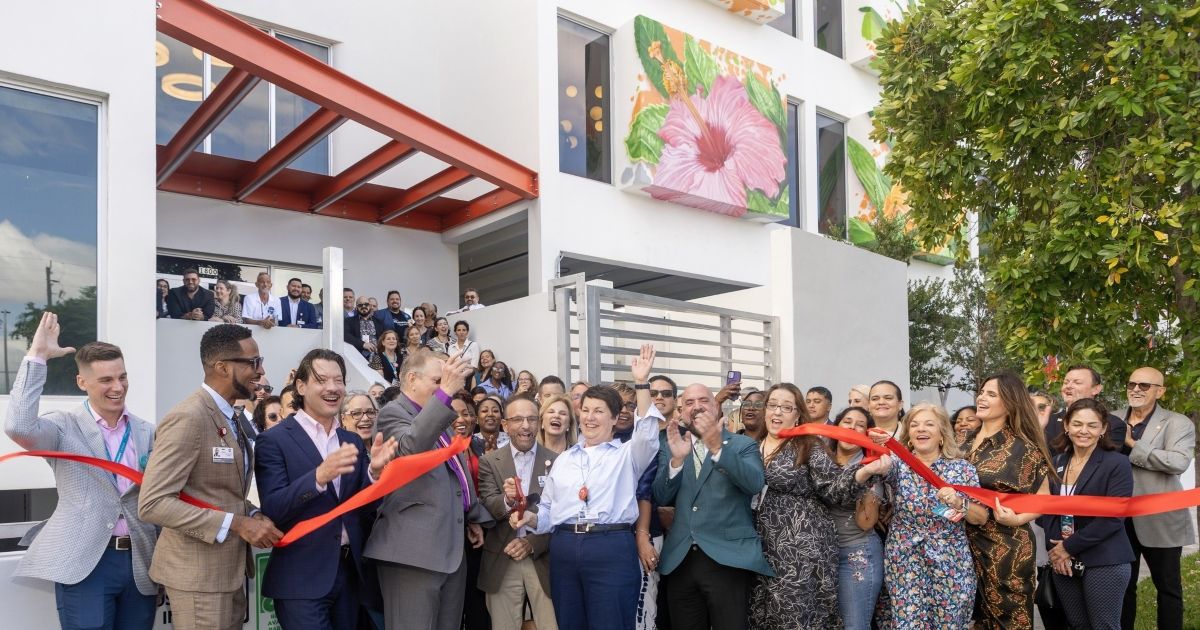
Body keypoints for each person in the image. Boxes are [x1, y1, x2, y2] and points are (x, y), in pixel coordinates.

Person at [4, 313, 159, 630]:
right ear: (82, 382)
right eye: (106, 380)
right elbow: (18, 426)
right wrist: (37, 357)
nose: (118, 387)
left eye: (122, 377)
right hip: (86, 563)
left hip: (140, 564)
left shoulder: (147, 431)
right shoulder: (63, 427)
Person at [138, 324, 283, 630]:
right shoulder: (189, 417)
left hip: (228, 573)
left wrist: (253, 513)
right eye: (254, 362)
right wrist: (239, 523)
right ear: (221, 367)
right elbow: (153, 504)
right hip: (198, 578)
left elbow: (220, 491)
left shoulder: (232, 415)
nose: (261, 370)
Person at [508, 345, 662, 630]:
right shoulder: (563, 460)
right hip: (565, 548)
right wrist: (529, 517)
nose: (590, 417)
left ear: (615, 419)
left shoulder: (628, 455)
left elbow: (649, 434)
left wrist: (642, 383)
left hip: (610, 546)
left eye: (599, 412)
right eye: (586, 410)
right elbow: (548, 512)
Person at [254, 349, 397, 630]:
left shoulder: (352, 440)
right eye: (321, 380)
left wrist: (374, 474)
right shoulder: (273, 441)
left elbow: (360, 506)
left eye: (338, 380)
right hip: (301, 580)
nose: (332, 388)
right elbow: (274, 508)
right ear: (301, 386)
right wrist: (318, 477)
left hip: (349, 576)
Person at [363, 349, 492, 630]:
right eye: (437, 380)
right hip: (412, 555)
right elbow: (410, 450)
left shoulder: (437, 419)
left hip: (450, 550)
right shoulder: (393, 412)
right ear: (411, 379)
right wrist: (446, 392)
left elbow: (454, 476)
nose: (446, 387)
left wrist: (469, 516)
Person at [748, 383, 892, 629]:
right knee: (763, 617)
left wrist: (864, 471)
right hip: (761, 547)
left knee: (796, 618)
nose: (778, 412)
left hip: (801, 550)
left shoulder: (808, 445)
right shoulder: (750, 445)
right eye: (772, 405)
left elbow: (834, 488)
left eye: (786, 407)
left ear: (797, 415)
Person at [654, 378, 772, 630]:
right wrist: (675, 462)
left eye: (703, 400)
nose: (696, 406)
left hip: (727, 557)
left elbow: (753, 484)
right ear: (681, 411)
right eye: (689, 402)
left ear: (718, 407)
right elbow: (661, 497)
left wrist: (718, 447)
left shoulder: (743, 445)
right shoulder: (672, 444)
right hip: (680, 560)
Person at [1020, 398, 1134, 630]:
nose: (1084, 431)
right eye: (1078, 424)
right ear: (1066, 426)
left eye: (1092, 425)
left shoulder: (1117, 463)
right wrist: (1058, 549)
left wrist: (1068, 547)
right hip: (1062, 560)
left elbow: (1113, 517)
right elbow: (1046, 509)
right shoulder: (1057, 461)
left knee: (1104, 626)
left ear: (1103, 429)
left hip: (1104, 559)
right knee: (1077, 625)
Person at [871, 403, 980, 628]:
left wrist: (960, 503)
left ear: (942, 432)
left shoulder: (962, 469)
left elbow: (981, 518)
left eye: (929, 424)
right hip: (904, 558)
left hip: (951, 560)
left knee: (949, 623)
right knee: (908, 623)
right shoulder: (897, 466)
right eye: (915, 425)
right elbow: (878, 469)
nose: (921, 429)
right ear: (908, 435)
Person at [962, 373, 1054, 630]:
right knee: (972, 621)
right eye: (981, 392)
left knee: (1008, 621)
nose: (981, 398)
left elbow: (1044, 497)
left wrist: (1018, 518)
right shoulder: (962, 441)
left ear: (1010, 403)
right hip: (960, 545)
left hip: (1004, 546)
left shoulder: (1023, 446)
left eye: (991, 394)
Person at [1118, 366, 1195, 630]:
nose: (1136, 389)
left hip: (1160, 518)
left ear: (1160, 391)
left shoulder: (1178, 422)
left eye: (1144, 385)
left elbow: (1178, 462)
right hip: (1116, 520)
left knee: (1168, 589)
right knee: (1121, 590)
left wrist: (1132, 444)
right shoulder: (1112, 419)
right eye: (1131, 384)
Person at [476, 395, 559, 630]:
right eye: (518, 419)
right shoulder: (490, 462)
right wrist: (508, 500)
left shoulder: (557, 461)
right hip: (502, 558)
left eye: (532, 419)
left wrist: (533, 542)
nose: (526, 426)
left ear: (539, 422)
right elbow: (489, 503)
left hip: (544, 558)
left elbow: (561, 514)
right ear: (505, 425)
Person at [828, 406, 885, 630]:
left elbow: (866, 523)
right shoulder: (820, 460)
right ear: (837, 427)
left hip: (857, 554)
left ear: (866, 434)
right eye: (847, 422)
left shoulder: (871, 466)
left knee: (855, 625)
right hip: (822, 555)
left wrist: (865, 478)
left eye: (859, 425)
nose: (852, 428)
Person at [1046, 365, 1127, 451]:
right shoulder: (1048, 421)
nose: (1068, 386)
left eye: (1077, 383)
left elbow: (1108, 460)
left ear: (1096, 389)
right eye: (1066, 382)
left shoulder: (1113, 424)